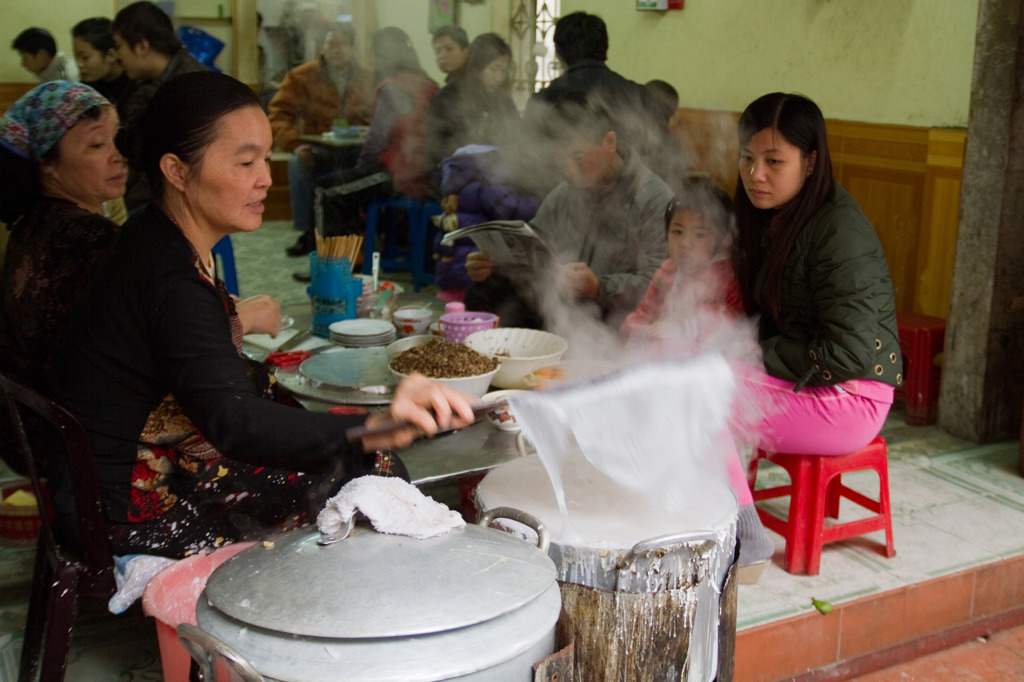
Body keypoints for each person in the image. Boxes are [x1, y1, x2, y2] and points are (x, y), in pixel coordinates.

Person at [50, 72, 476, 559]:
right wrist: (374, 424)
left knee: (353, 447)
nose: (266, 178)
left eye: (266, 158)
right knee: (374, 468)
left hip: (109, 479)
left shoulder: (156, 236)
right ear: (177, 170)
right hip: (124, 506)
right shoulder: (169, 276)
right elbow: (234, 424)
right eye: (245, 161)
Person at [727, 93, 903, 576]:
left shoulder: (838, 230)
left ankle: (746, 538)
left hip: (851, 396)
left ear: (810, 162)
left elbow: (847, 351)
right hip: (812, 381)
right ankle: (712, 519)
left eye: (773, 161)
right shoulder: (774, 217)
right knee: (690, 376)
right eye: (747, 158)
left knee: (704, 395)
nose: (755, 173)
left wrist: (755, 354)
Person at [465, 93, 671, 330]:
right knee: (486, 289)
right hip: (563, 301)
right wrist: (494, 264)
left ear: (609, 142)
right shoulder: (565, 193)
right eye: (560, 159)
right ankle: (508, 360)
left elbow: (662, 285)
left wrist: (598, 287)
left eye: (578, 157)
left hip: (612, 313)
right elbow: (534, 247)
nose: (570, 171)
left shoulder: (653, 199)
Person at [0, 82, 123, 386]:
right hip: (71, 423)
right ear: (47, 163)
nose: (118, 155)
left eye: (117, 139)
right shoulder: (91, 237)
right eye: (97, 145)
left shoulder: (30, 224)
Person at [521, 12, 676, 192]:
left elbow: (528, 167)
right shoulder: (639, 95)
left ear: (558, 54)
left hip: (561, 208)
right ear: (606, 53)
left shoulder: (542, 101)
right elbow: (667, 159)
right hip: (633, 203)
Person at [313, 27, 439, 238]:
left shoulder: (392, 88)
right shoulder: (428, 84)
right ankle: (354, 252)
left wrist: (360, 170)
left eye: (372, 53)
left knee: (325, 191)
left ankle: (333, 265)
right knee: (346, 183)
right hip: (426, 172)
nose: (370, 59)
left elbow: (375, 142)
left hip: (401, 175)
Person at [267, 26, 373, 257]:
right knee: (297, 163)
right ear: (322, 48)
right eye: (330, 44)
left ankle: (351, 234)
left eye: (343, 43)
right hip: (317, 147)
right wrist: (296, 144)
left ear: (353, 48)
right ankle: (308, 234)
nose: (336, 49)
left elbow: (375, 116)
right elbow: (278, 114)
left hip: (356, 148)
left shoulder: (367, 77)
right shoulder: (302, 76)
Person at [620, 179, 743, 345]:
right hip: (665, 359)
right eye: (677, 231)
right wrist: (636, 331)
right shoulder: (666, 272)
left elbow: (734, 318)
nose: (685, 243)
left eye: (700, 235)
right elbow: (646, 312)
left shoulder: (727, 277)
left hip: (706, 364)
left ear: (724, 242)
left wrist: (685, 327)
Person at [111, 0, 207, 211]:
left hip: (177, 203)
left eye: (119, 47)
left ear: (142, 46)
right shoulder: (142, 81)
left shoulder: (192, 85)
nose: (117, 57)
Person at [426, 32, 520, 169]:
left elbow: (515, 135)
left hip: (496, 174)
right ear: (478, 66)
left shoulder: (503, 100)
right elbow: (435, 147)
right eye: (494, 69)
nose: (499, 77)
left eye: (504, 71)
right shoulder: (448, 98)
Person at [72, 18, 131, 104]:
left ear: (110, 55)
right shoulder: (85, 90)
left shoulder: (135, 84)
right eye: (76, 56)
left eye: (85, 57)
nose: (79, 64)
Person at [12, 27, 79, 83]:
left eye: (25, 58)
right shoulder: (47, 72)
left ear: (41, 54)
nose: (23, 64)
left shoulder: (67, 75)